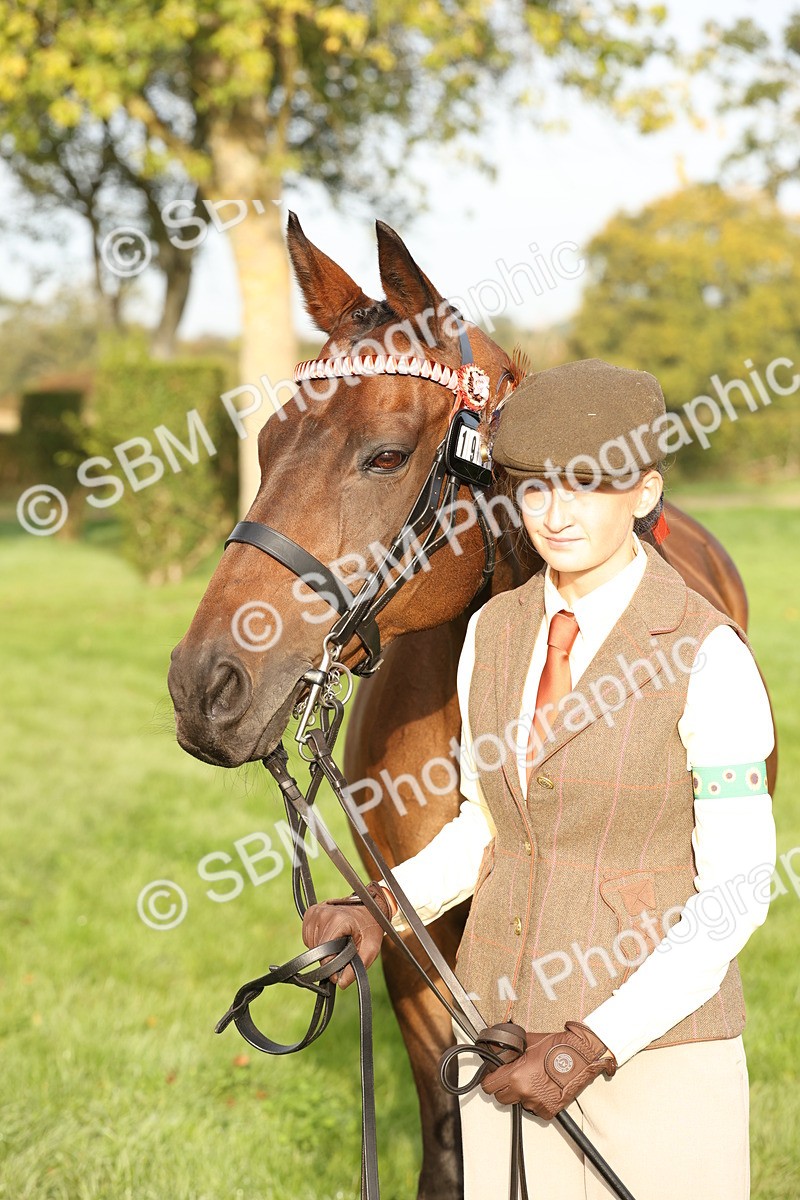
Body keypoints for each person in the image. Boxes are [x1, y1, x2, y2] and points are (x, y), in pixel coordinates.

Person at [301, 358, 776, 1200]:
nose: (556, 515)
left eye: (588, 486)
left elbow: (737, 890)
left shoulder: (709, 656)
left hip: (656, 1057)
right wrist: (380, 906)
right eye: (534, 488)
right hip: (502, 1045)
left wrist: (591, 1045)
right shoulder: (494, 633)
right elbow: (488, 827)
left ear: (645, 491)